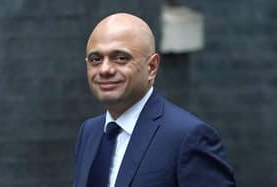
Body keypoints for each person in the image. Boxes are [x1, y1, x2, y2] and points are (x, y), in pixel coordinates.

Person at [73, 13, 236, 187]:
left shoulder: (187, 137)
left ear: (151, 67)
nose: (105, 69)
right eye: (95, 59)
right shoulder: (89, 132)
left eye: (121, 58)